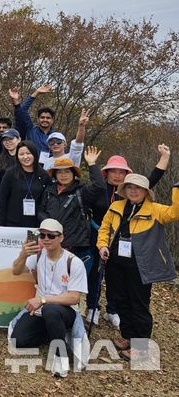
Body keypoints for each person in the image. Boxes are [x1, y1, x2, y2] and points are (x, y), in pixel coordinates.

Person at [86, 145, 170, 328]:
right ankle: (93, 307)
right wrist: (91, 164)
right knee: (97, 274)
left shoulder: (134, 192)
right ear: (106, 173)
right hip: (99, 235)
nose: (117, 175)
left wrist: (164, 158)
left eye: (121, 172)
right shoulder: (99, 188)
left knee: (125, 286)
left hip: (126, 244)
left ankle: (113, 310)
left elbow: (151, 179)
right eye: (112, 171)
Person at [97, 173, 179, 361]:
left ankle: (141, 347)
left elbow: (175, 212)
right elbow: (104, 228)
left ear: (145, 192)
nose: (133, 191)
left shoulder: (155, 210)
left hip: (141, 266)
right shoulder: (116, 206)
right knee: (120, 300)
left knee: (139, 303)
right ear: (124, 190)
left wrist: (176, 188)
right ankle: (128, 336)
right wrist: (102, 245)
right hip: (115, 263)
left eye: (138, 188)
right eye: (129, 187)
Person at [10, 218, 88, 378]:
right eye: (42, 235)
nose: (46, 239)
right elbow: (16, 271)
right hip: (41, 311)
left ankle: (61, 358)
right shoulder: (38, 255)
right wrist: (23, 254)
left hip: (64, 311)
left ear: (61, 238)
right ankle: (56, 333)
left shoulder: (73, 262)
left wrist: (43, 300)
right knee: (18, 340)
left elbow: (74, 298)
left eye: (51, 236)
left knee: (51, 310)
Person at [37, 148, 105, 274]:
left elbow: (99, 187)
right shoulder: (49, 191)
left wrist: (92, 164)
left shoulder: (82, 191)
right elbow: (41, 209)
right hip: (52, 245)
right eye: (59, 172)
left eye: (67, 171)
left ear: (73, 174)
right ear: (55, 175)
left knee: (75, 287)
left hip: (77, 247)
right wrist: (47, 222)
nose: (63, 175)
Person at [0, 141, 52, 227]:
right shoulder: (10, 173)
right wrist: (2, 222)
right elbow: (2, 198)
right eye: (21, 154)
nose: (25, 157)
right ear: (17, 157)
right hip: (12, 223)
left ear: (34, 154)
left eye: (28, 153)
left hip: (35, 224)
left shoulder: (44, 175)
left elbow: (48, 201)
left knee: (31, 241)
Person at [10, 84, 55, 156]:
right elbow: (23, 110)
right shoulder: (31, 129)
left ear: (52, 120)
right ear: (38, 119)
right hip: (30, 165)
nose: (45, 120)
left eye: (48, 118)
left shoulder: (55, 136)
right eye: (42, 117)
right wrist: (36, 92)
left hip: (49, 166)